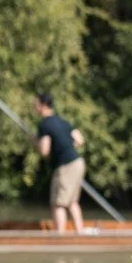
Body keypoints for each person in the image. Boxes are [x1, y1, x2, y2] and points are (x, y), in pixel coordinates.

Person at [34, 92, 86, 234]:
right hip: (78, 162)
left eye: (36, 104)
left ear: (43, 105)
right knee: (72, 202)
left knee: (58, 204)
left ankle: (59, 236)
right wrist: (67, 147)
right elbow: (80, 140)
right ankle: (80, 233)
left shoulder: (44, 125)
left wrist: (36, 141)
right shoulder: (63, 121)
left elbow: (44, 151)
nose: (34, 107)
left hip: (65, 166)